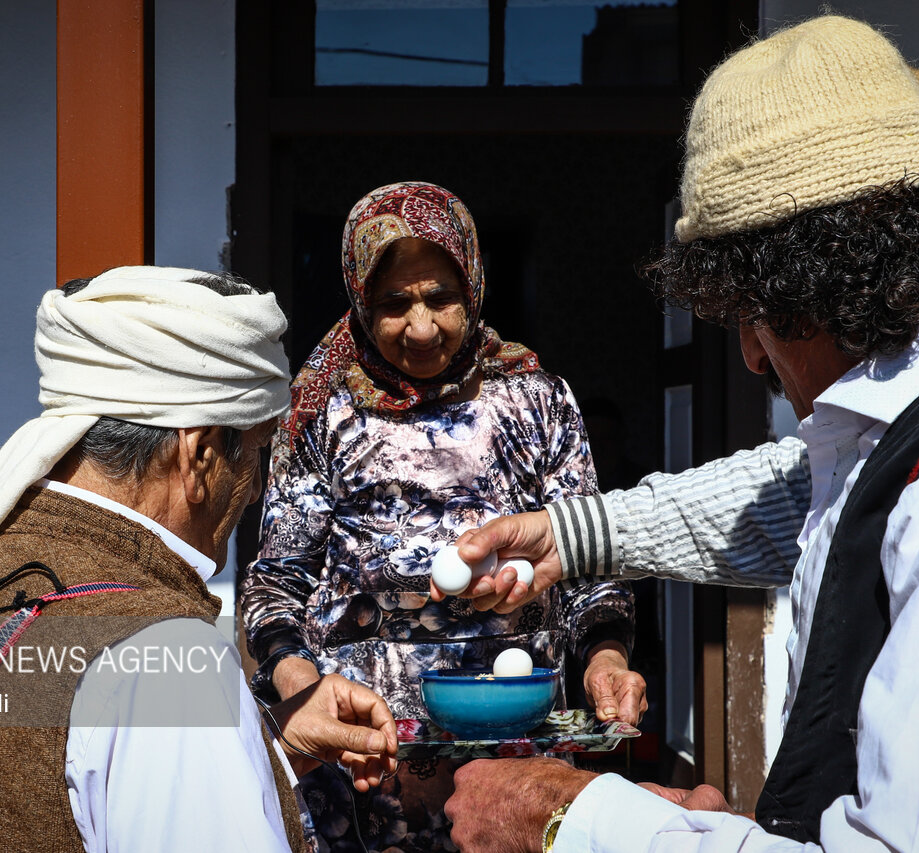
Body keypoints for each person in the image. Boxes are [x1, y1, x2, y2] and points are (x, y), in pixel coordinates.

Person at [441, 16, 919, 851]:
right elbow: (793, 495)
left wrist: (573, 817)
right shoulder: (918, 442)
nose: (749, 355)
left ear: (817, 281)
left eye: (751, 313)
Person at [0, 266, 397, 852]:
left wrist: (266, 745)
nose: (255, 489)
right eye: (258, 454)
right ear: (198, 456)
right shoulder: (168, 662)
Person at [238, 181, 641, 851]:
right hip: (362, 767)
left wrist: (606, 655)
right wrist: (299, 684)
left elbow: (590, 563)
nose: (421, 328)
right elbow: (276, 583)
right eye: (394, 303)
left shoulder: (534, 399)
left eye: (441, 299)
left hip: (514, 761)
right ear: (360, 299)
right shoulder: (322, 412)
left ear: (475, 287)